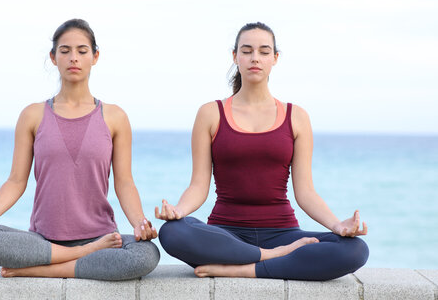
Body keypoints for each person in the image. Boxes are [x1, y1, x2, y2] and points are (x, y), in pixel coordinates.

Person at [155, 22, 369, 281]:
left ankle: (247, 268)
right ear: (234, 56)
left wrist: (338, 225)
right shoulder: (210, 114)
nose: (255, 57)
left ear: (275, 58)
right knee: (172, 231)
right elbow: (199, 186)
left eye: (264, 51)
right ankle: (269, 257)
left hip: (283, 232)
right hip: (225, 233)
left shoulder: (296, 117)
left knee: (355, 250)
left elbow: (306, 192)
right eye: (246, 50)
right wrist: (179, 210)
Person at [0, 19, 159, 280]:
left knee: (147, 254)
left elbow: (124, 183)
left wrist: (139, 224)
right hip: (44, 242)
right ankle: (80, 255)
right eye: (65, 50)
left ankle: (39, 271)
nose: (73, 58)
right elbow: (16, 181)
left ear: (95, 56)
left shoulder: (115, 117)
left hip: (102, 238)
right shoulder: (32, 115)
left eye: (82, 51)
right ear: (53, 57)